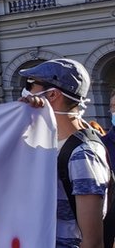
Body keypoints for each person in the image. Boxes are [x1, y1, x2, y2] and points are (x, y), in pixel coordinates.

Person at [21, 58, 111, 248]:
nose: (27, 92)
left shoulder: (83, 153)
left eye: (31, 85)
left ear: (52, 94)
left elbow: (92, 241)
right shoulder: (50, 142)